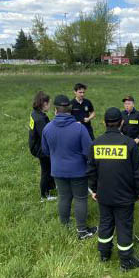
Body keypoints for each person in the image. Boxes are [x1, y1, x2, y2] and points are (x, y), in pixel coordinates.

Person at [87, 107, 139, 271]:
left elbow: (91, 170)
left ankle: (104, 254)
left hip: (103, 194)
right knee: (124, 226)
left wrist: (94, 190)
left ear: (104, 123)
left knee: (105, 223)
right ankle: (126, 261)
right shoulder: (130, 144)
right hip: (125, 196)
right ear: (122, 123)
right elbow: (137, 172)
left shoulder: (95, 143)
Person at [41, 94, 97, 240]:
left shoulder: (47, 128)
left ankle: (64, 225)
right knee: (80, 199)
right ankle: (82, 231)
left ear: (55, 110)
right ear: (70, 110)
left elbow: (45, 151)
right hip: (78, 171)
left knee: (64, 197)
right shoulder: (79, 129)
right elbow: (88, 152)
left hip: (58, 171)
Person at [28, 91, 56, 201]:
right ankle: (44, 196)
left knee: (49, 166)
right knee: (46, 170)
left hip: (36, 144)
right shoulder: (40, 119)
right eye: (49, 103)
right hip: (39, 148)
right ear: (43, 104)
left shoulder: (36, 113)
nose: (50, 106)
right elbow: (46, 135)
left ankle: (51, 186)